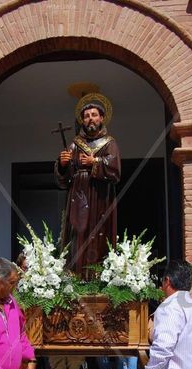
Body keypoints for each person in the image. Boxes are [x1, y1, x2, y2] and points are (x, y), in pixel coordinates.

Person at [55, 93, 121, 279]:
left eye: (94, 114)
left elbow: (115, 170)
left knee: (99, 233)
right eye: (86, 116)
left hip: (100, 196)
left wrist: (95, 161)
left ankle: (98, 277)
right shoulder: (76, 144)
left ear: (101, 118)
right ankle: (76, 276)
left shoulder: (110, 143)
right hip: (78, 195)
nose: (90, 118)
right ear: (82, 121)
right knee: (78, 232)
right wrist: (63, 163)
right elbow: (64, 179)